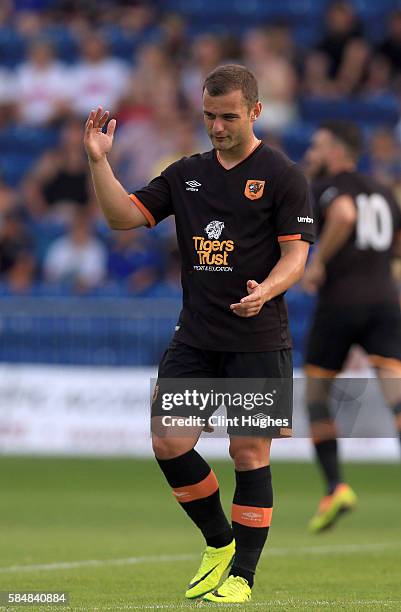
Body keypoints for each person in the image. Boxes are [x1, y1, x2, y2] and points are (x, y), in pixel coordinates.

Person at [84, 64, 314, 604]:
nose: (217, 127)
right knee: (168, 441)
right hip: (196, 337)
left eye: (228, 116)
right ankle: (218, 542)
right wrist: (99, 163)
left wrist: (266, 290)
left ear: (255, 111)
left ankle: (243, 577)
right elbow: (123, 217)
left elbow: (296, 258)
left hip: (258, 338)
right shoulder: (186, 173)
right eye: (209, 116)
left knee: (248, 453)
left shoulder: (283, 175)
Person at [302, 120, 401, 534]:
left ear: (338, 149)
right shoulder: (384, 191)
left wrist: (319, 261)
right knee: (396, 401)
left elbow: (343, 214)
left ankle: (335, 487)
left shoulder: (331, 188)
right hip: (385, 300)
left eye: (319, 144)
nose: (313, 151)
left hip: (341, 303)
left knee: (315, 395)